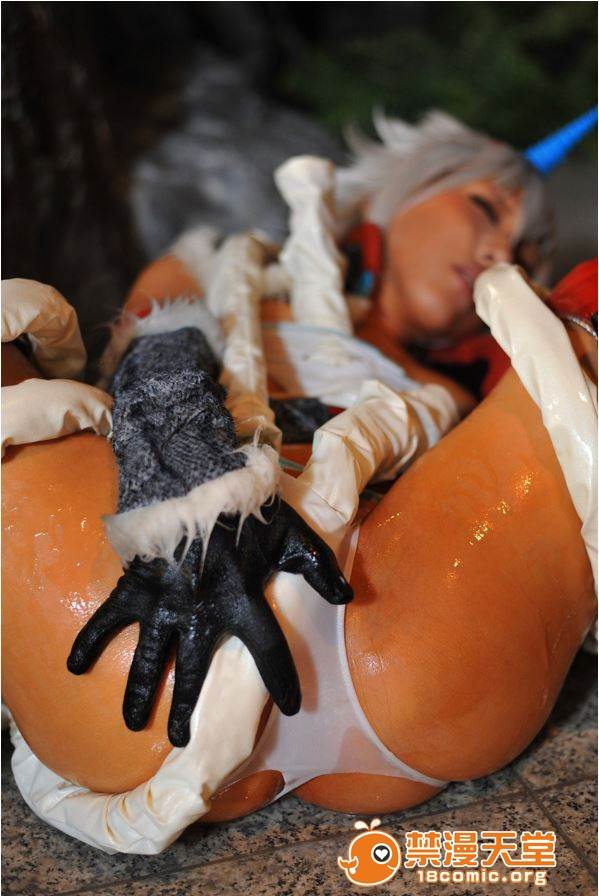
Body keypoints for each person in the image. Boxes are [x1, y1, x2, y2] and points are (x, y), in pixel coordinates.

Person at [2, 110, 596, 854]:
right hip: (136, 625)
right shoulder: (220, 269)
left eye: (526, 250)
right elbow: (147, 357)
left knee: (581, 345)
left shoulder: (464, 397)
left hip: (408, 627)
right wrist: (194, 510)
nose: (499, 251)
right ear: (397, 190)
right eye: (484, 207)